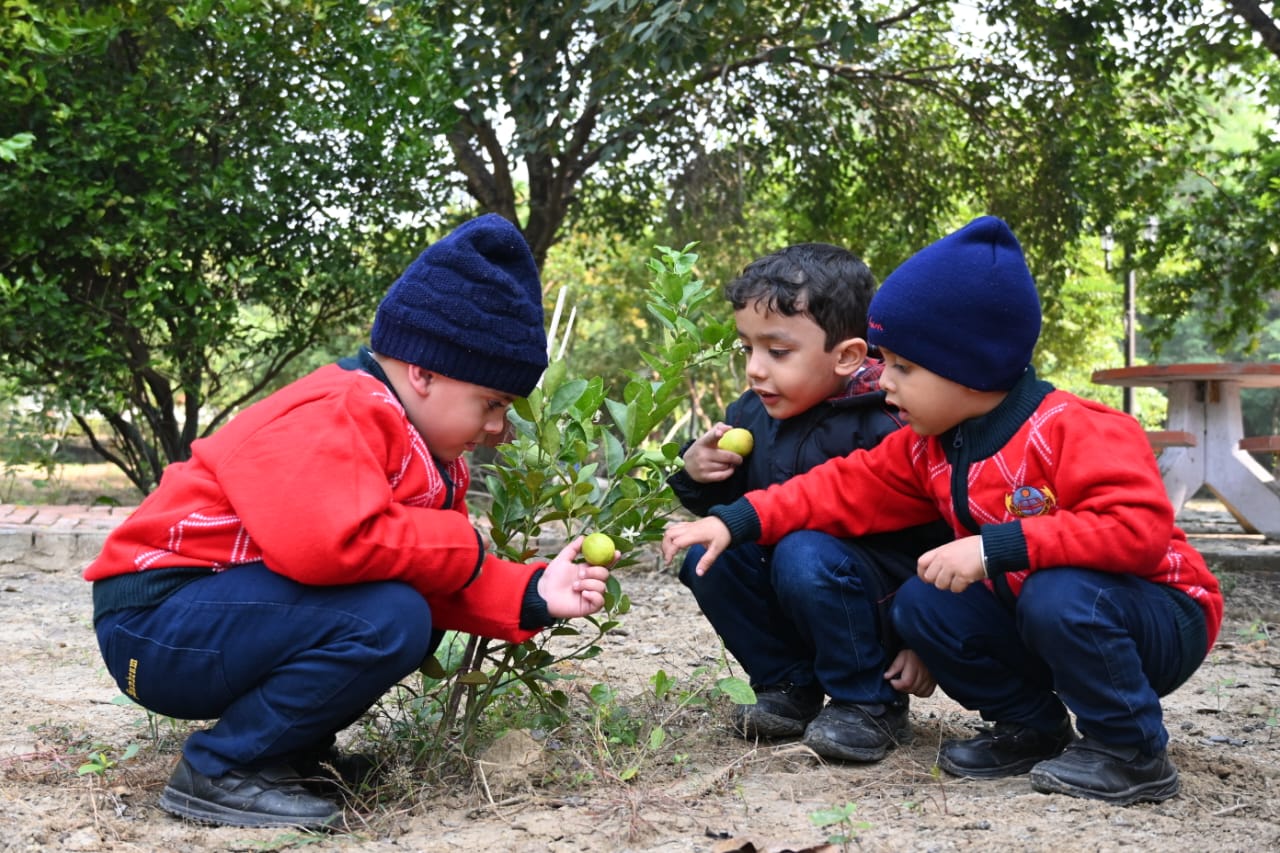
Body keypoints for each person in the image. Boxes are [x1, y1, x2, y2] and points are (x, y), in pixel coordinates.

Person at [661, 215, 1223, 805]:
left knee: (1058, 593)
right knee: (924, 603)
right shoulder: (927, 446)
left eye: (903, 367)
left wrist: (993, 548)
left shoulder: (1076, 428)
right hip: (1038, 614)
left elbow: (1135, 532)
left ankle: (1131, 751)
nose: (886, 381)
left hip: (1155, 617)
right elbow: (835, 488)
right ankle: (1030, 725)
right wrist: (733, 519)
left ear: (970, 368)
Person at [83, 214, 614, 829]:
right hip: (154, 623)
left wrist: (529, 591)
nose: (497, 427)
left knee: (391, 609)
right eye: (491, 403)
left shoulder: (424, 451)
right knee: (387, 618)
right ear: (424, 371)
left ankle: (284, 755)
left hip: (212, 616)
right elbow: (327, 546)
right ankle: (221, 768)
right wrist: (459, 542)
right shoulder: (338, 411)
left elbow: (423, 568)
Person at [667, 242, 950, 762]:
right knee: (710, 555)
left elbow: (941, 536)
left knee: (803, 552)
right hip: (796, 589)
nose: (755, 369)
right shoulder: (752, 415)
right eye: (747, 349)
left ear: (846, 356)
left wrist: (926, 635)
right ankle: (786, 686)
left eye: (777, 352)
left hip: (880, 603)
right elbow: (739, 512)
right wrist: (698, 474)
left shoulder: (888, 422)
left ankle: (867, 703)